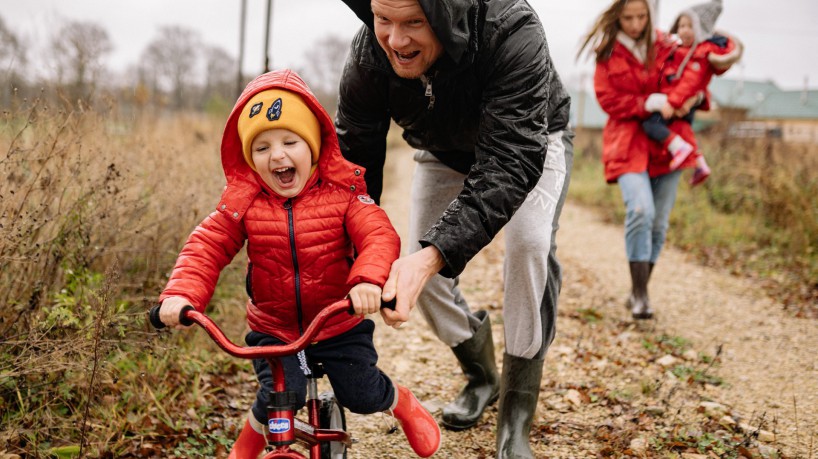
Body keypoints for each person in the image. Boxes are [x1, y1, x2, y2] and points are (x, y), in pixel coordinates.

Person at [153, 69, 440, 459]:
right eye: (262, 147)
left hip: (339, 321)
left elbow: (378, 235)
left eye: (291, 141)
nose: (278, 155)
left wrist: (368, 281)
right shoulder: (244, 203)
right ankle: (246, 448)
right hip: (275, 327)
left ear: (314, 146)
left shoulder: (343, 194)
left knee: (361, 392)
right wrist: (181, 295)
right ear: (249, 158)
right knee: (276, 396)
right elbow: (206, 246)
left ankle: (401, 402)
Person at [335, 0, 572, 457]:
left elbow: (510, 161)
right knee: (417, 267)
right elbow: (355, 167)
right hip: (442, 150)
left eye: (413, 23)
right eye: (383, 20)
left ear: (443, 16)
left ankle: (516, 416)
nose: (395, 40)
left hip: (529, 143)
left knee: (529, 244)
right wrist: (349, 254)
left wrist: (435, 255)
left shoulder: (512, 28)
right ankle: (482, 376)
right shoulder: (369, 53)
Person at [578, 0, 700, 320]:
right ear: (617, 16)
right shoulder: (607, 53)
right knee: (641, 209)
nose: (635, 24)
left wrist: (693, 96)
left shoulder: (665, 44)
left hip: (669, 144)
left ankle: (638, 291)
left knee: (659, 222)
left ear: (649, 15)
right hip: (627, 143)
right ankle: (641, 295)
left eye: (641, 17)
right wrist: (648, 103)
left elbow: (692, 71)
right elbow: (608, 99)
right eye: (628, 18)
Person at [641, 0, 742, 186]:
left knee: (651, 125)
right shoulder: (681, 50)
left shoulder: (699, 54)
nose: (684, 30)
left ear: (701, 29)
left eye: (690, 26)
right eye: (681, 25)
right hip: (679, 101)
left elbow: (689, 83)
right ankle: (700, 163)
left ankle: (678, 148)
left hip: (678, 102)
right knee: (683, 130)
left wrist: (673, 102)